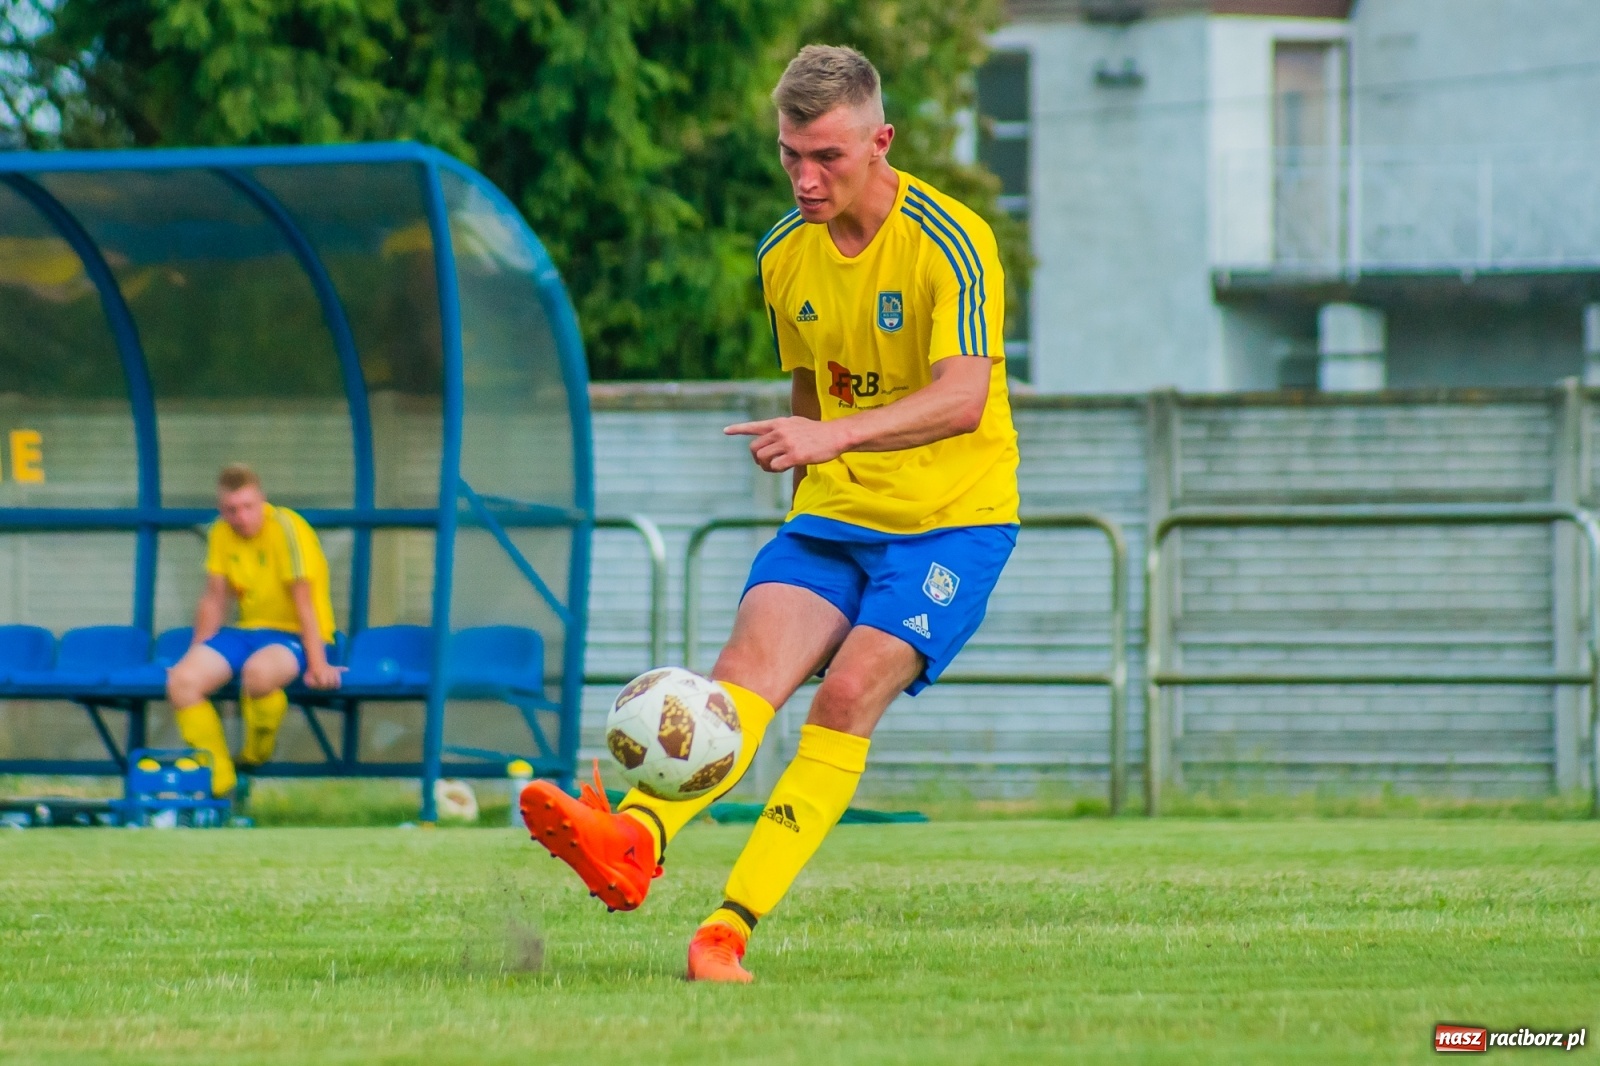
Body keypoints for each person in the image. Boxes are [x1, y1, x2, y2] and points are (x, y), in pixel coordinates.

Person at [521, 44, 1019, 983]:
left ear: (882, 143)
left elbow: (963, 397)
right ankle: (630, 839)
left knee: (842, 697)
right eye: (790, 154)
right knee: (739, 680)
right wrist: (805, 498)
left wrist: (835, 439)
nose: (805, 176)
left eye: (826, 156)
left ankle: (726, 932)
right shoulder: (782, 251)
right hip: (833, 514)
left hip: (951, 520)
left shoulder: (954, 241)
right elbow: (808, 393)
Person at [165, 464, 343, 796]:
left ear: (262, 501)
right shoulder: (220, 532)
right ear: (222, 510)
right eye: (232, 510)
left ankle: (256, 751)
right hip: (247, 633)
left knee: (258, 675)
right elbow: (215, 600)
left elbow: (304, 602)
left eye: (248, 507)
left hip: (300, 636)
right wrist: (194, 657)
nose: (241, 517)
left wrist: (318, 665)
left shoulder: (287, 527)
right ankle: (219, 781)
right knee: (181, 682)